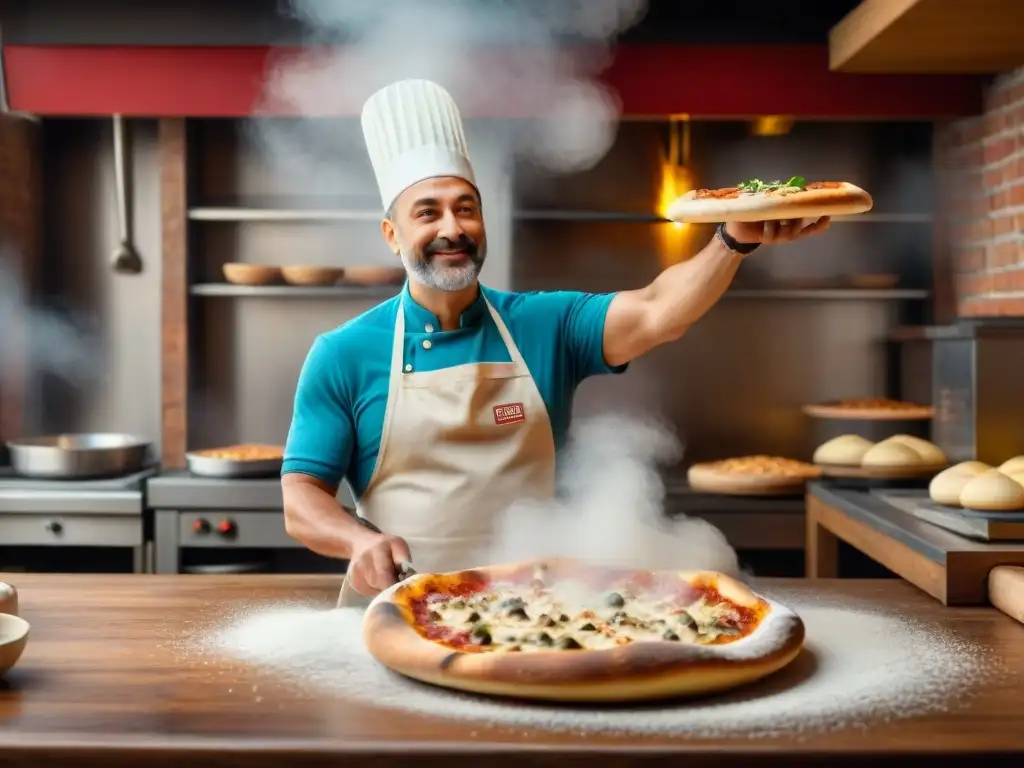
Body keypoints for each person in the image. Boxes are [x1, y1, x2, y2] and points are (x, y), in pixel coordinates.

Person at [281, 79, 830, 606]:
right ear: (392, 233)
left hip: (537, 611)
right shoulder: (343, 353)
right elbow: (301, 496)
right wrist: (359, 541)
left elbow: (660, 310)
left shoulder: (544, 323)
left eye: (465, 208)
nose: (452, 227)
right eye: (427, 212)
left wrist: (732, 240)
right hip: (398, 606)